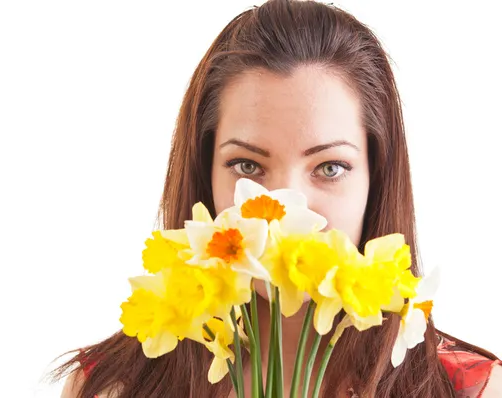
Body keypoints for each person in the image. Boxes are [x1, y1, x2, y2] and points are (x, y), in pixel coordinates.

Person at [52, 0, 501, 396]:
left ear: (377, 180)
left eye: (329, 168)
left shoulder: (469, 390)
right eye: (247, 166)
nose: (284, 213)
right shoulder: (108, 387)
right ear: (203, 174)